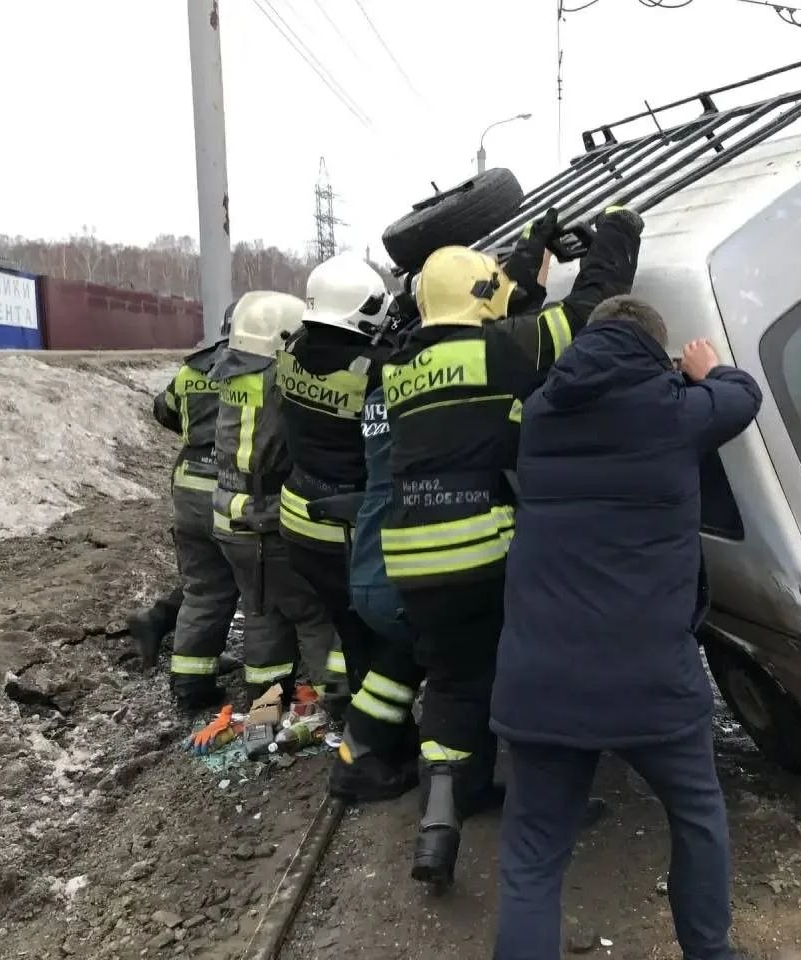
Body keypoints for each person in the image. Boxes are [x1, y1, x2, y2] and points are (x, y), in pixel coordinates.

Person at [490, 296, 762, 960]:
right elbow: (743, 396)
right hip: (649, 679)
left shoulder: (541, 412)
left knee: (532, 860)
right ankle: (710, 952)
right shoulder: (674, 410)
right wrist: (705, 370)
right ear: (655, 351)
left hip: (542, 678)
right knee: (697, 816)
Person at [380, 205, 644, 888]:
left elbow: (493, 306)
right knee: (532, 676)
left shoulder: (401, 366)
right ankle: (548, 807)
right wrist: (618, 232)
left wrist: (530, 250)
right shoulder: (502, 351)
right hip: (487, 552)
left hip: (413, 557)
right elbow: (589, 312)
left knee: (454, 680)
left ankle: (443, 819)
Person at [276, 253, 424, 801]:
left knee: (356, 628)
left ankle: (388, 739)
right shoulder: (377, 369)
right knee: (399, 635)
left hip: (300, 522)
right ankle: (367, 753)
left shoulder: (289, 351)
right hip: (349, 527)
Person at [210, 291, 337, 705]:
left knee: (261, 609)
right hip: (267, 518)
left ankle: (266, 695)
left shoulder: (231, 370)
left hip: (229, 518)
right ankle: (334, 698)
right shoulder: (279, 379)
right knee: (311, 611)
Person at [140, 303, 241, 706]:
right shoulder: (261, 371)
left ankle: (190, 683)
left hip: (188, 484)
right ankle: (268, 676)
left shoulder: (192, 370)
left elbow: (163, 409)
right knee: (261, 587)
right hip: (232, 486)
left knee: (204, 587)